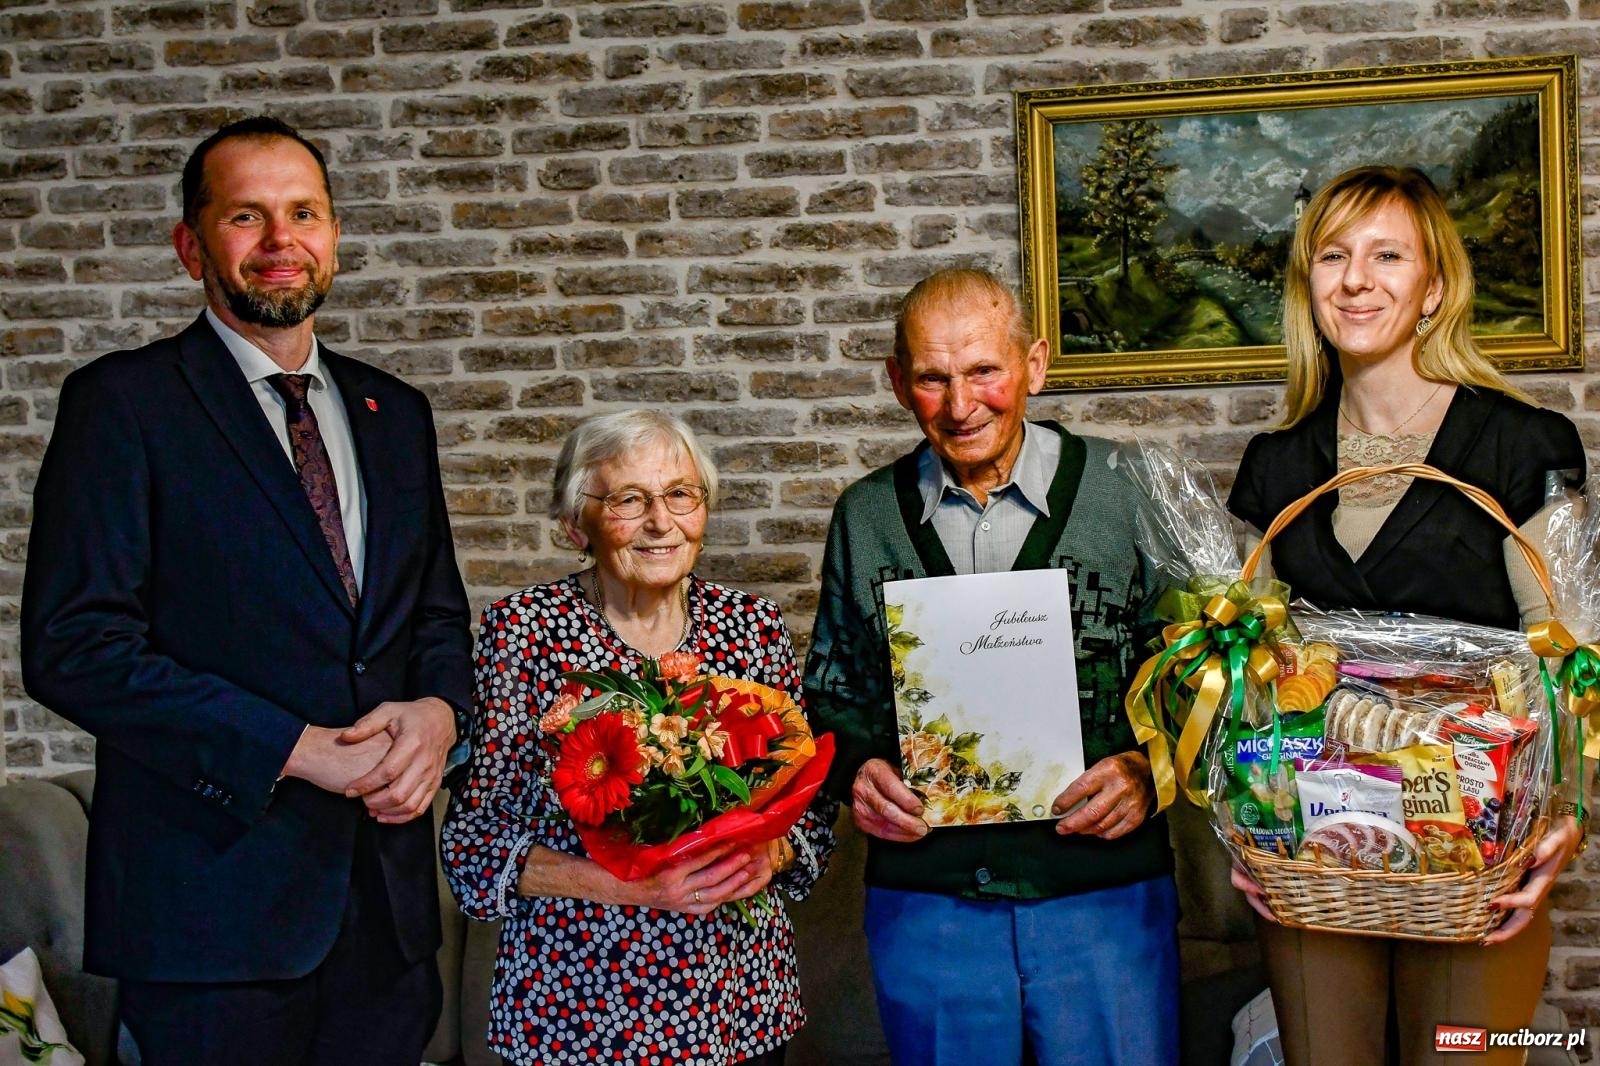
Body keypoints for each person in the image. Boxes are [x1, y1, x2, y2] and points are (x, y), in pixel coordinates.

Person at [20, 116, 473, 1066]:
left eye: (303, 213)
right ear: (192, 246)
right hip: (210, 919)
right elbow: (75, 647)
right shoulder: (123, 404)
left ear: (334, 236)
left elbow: (434, 615)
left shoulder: (398, 413)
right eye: (245, 216)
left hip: (387, 917)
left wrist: (438, 715)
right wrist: (296, 750)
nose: (280, 240)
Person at [1228, 165, 1588, 1066]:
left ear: (1433, 289)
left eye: (1387, 256)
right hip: (1317, 851)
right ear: (1308, 284)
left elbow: (1573, 652)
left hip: (1478, 851)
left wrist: (1571, 814)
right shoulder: (1276, 465)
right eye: (1333, 256)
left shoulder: (1519, 443)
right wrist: (1245, 821)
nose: (1356, 280)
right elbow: (1247, 671)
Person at [802, 268, 1179, 1066]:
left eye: (984, 371)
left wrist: (1151, 770)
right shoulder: (865, 515)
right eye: (932, 378)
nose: (960, 404)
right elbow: (829, 694)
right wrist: (858, 769)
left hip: (1104, 895)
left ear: (1034, 365)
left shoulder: (1127, 492)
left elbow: (1197, 675)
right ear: (897, 382)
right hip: (930, 903)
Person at [440, 410, 837, 1066]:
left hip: (736, 1001)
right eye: (628, 499)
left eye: (680, 494)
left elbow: (808, 812)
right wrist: (631, 886)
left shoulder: (753, 626)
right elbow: (474, 848)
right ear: (577, 525)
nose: (660, 521)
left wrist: (773, 854)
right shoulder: (523, 631)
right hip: (576, 1007)